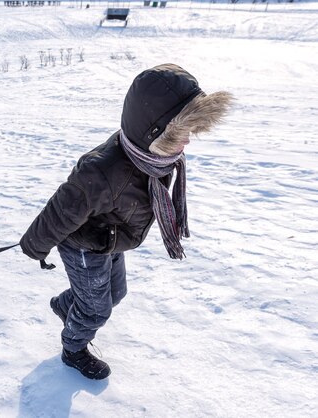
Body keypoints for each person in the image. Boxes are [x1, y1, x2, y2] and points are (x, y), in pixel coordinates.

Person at [20, 63, 233, 380]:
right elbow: (60, 210)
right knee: (96, 309)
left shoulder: (149, 156)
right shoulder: (102, 172)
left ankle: (67, 307)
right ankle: (73, 349)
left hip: (112, 237)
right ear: (153, 131)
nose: (187, 143)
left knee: (115, 294)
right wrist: (35, 246)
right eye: (180, 133)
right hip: (85, 245)